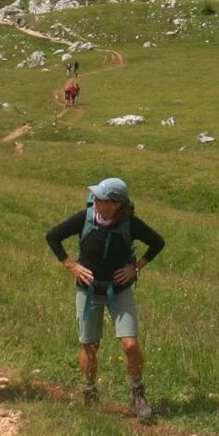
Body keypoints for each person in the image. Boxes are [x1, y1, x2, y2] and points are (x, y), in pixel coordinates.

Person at [45, 176, 164, 419]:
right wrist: (71, 266)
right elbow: (53, 236)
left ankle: (137, 393)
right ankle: (90, 392)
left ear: (116, 204)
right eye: (96, 197)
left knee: (130, 344)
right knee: (90, 346)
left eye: (102, 198)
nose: (96, 201)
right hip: (88, 291)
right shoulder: (86, 218)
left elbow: (157, 242)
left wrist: (136, 267)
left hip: (119, 292)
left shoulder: (130, 223)